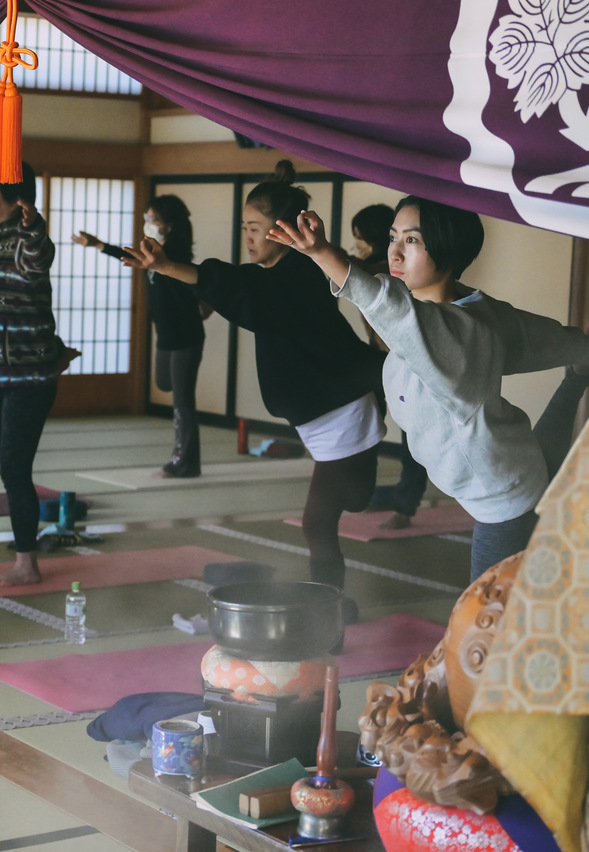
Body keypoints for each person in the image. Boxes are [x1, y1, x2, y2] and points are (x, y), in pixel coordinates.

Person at [269, 196, 589, 580]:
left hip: (499, 499)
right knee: (536, 463)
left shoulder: (452, 332)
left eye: (412, 241)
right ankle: (580, 373)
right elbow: (536, 338)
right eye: (393, 237)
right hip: (508, 459)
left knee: (484, 621)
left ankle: (581, 373)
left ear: (447, 250)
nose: (395, 252)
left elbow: (386, 305)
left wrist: (322, 252)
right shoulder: (471, 307)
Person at [124, 161, 385, 613]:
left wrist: (169, 266)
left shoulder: (299, 274)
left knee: (317, 523)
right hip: (323, 413)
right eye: (244, 227)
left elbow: (238, 286)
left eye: (254, 228)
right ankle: (335, 599)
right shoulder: (279, 276)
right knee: (349, 502)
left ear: (281, 230)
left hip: (341, 410)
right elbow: (242, 287)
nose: (247, 237)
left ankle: (328, 612)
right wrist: (169, 268)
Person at [0, 160, 79, 586]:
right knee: (0, 453)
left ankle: (26, 563)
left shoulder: (25, 239)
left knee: (13, 468)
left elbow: (36, 258)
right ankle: (26, 538)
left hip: (27, 379)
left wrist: (34, 227)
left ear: (17, 202)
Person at [74, 195, 210, 477]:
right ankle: (185, 459)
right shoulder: (154, 254)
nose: (147, 225)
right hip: (167, 334)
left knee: (182, 403)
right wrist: (98, 244)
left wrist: (204, 305)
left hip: (186, 336)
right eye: (146, 219)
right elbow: (132, 259)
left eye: (153, 220)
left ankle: (185, 463)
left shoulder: (175, 258)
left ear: (169, 226)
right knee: (164, 382)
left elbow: (201, 283)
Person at [351, 203, 430, 530]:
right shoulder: (368, 265)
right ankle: (372, 494)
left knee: (413, 436)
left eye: (359, 237)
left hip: (408, 363)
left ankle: (405, 505)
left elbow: (368, 271)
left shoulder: (388, 269)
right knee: (367, 421)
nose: (355, 244)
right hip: (379, 359)